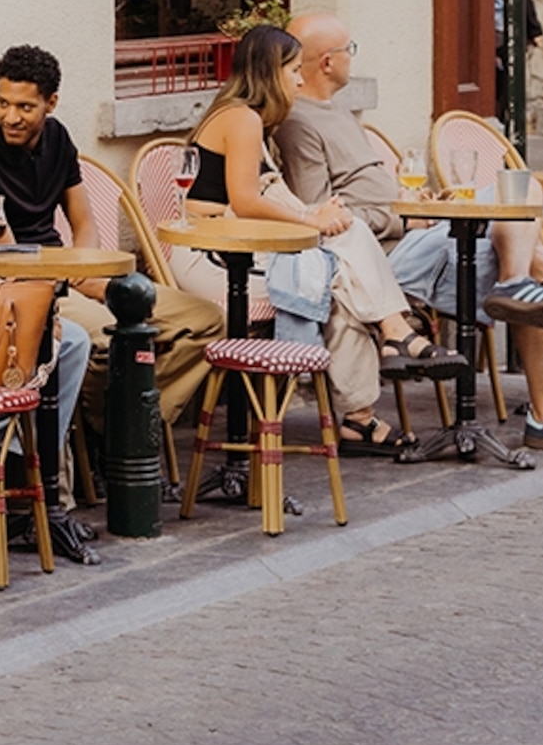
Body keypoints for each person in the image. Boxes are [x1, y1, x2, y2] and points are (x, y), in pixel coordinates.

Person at [277, 12, 543, 456]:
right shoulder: (299, 123)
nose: (351, 60)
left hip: (415, 234)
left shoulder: (334, 110)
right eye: (348, 51)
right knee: (528, 259)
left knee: (522, 185)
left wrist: (423, 202)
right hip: (383, 256)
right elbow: (324, 216)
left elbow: (365, 193)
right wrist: (404, 218)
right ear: (326, 63)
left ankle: (519, 298)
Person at [0, 43, 221, 488]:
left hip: (72, 274)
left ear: (50, 104)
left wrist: (87, 270)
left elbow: (83, 220)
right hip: (26, 286)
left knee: (205, 321)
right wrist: (68, 280)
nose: (10, 116)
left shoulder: (58, 138)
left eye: (24, 107)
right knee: (108, 342)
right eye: (2, 103)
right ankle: (119, 442)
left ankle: (118, 427)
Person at [173, 22, 438, 453]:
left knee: (337, 283)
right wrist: (311, 221)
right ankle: (390, 338)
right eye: (293, 69)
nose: (299, 78)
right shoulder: (240, 119)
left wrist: (313, 214)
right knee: (339, 265)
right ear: (270, 71)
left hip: (238, 248)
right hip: (212, 258)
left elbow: (262, 202)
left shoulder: (249, 118)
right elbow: (244, 201)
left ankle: (360, 415)